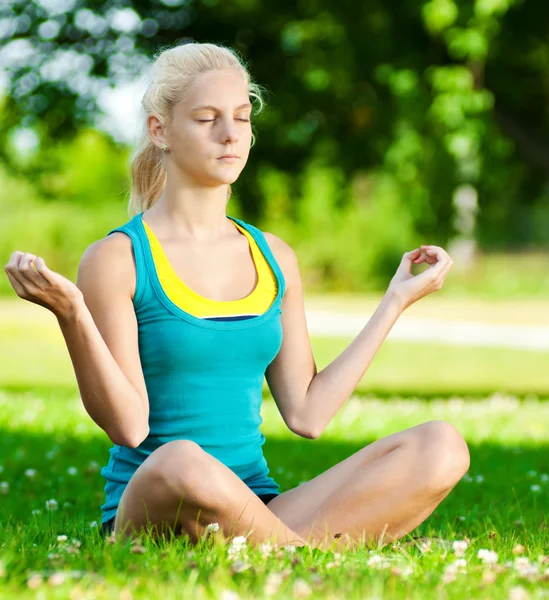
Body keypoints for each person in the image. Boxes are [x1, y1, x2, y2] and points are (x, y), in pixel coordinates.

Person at [3, 41, 469, 551]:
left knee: (441, 445)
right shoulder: (118, 258)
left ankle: (278, 551)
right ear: (161, 130)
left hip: (257, 506)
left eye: (242, 118)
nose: (231, 135)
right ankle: (305, 558)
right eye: (207, 119)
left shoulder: (274, 255)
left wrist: (394, 302)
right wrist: (72, 315)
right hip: (158, 505)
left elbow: (308, 415)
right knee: (183, 459)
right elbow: (129, 428)